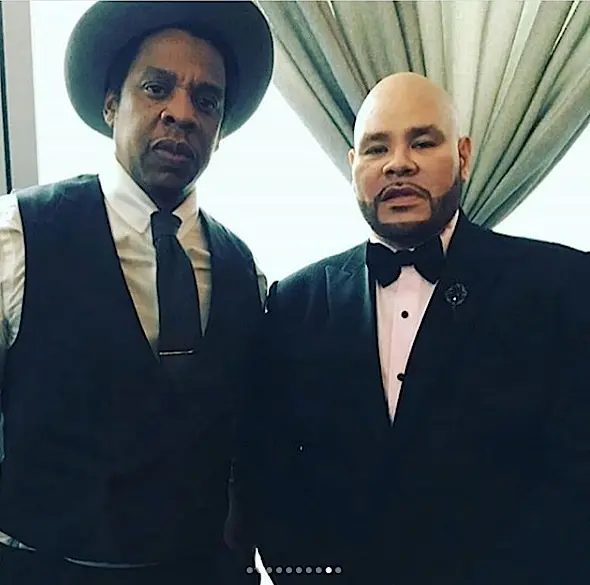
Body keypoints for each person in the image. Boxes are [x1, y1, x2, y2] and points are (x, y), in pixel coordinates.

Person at [235, 72, 590, 585]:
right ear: (353, 166)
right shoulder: (294, 302)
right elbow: (270, 476)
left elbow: (574, 478)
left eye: (422, 142)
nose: (398, 163)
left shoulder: (562, 286)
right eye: (377, 148)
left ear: (463, 156)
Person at [0, 2, 272, 584]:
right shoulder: (19, 235)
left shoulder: (243, 269)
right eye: (156, 88)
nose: (181, 113)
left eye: (206, 100)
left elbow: (245, 443)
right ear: (111, 105)